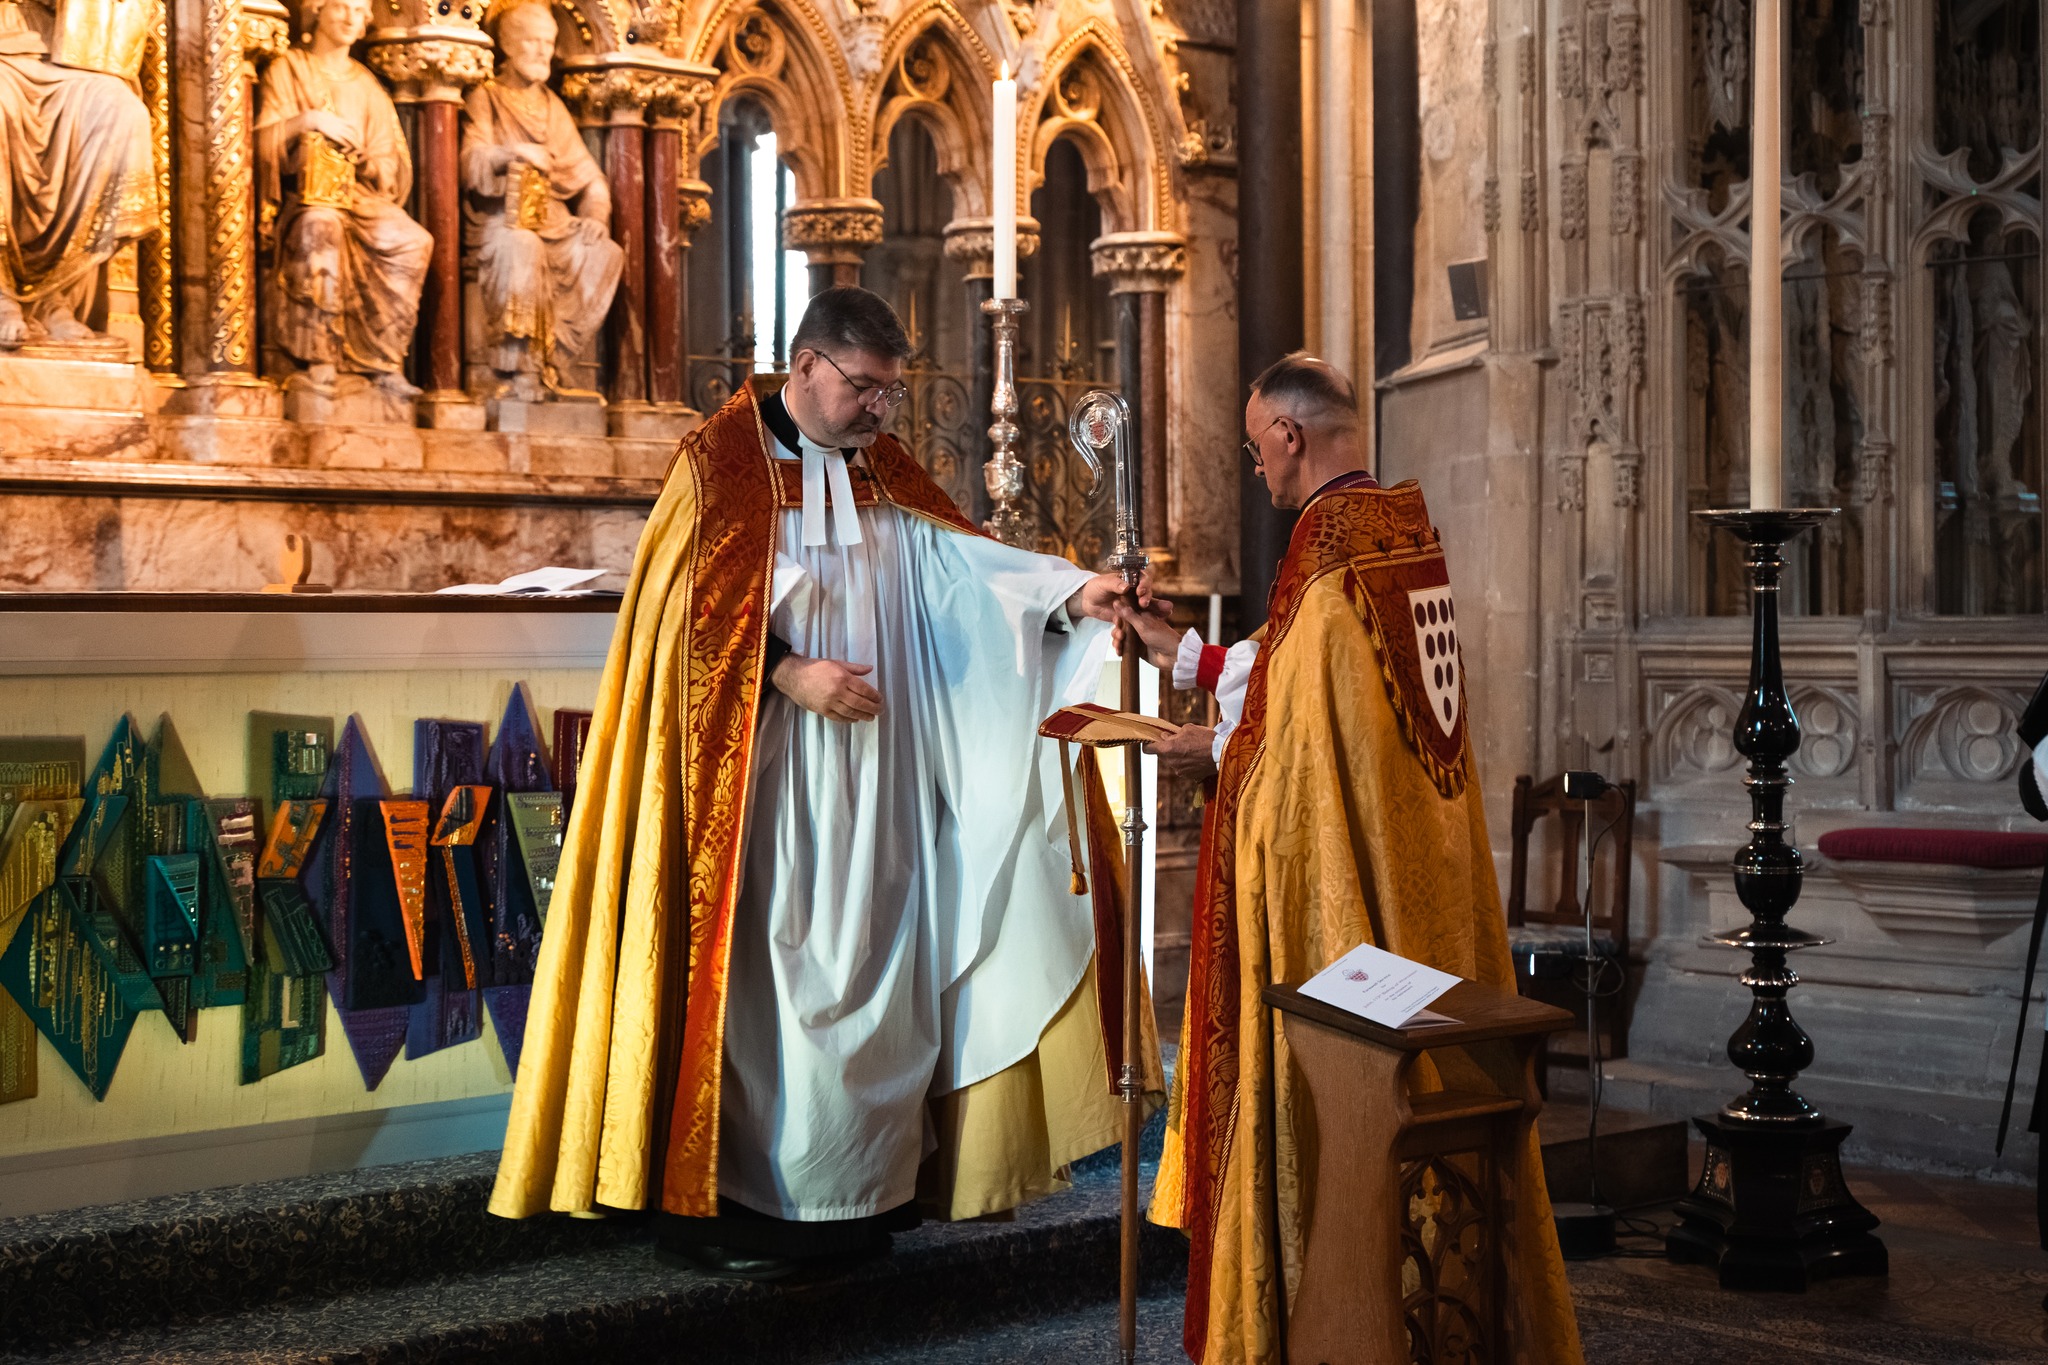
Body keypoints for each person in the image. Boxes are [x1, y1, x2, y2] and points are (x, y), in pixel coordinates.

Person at [491, 287, 1165, 1281]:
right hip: (766, 789)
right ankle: (750, 1207)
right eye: (863, 389)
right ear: (805, 366)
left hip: (883, 784)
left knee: (885, 974)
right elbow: (677, 625)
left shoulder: (884, 469)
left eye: (890, 393)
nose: (879, 411)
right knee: (772, 985)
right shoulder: (716, 465)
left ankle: (864, 1200)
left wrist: (1070, 590)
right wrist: (786, 671)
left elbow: (962, 570)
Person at [1116, 353, 1583, 1364]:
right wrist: (1174, 650)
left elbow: (1295, 757)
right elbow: (1309, 686)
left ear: (1287, 436)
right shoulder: (1398, 530)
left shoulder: (1326, 551)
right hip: (1430, 898)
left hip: (1351, 916)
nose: (1254, 470)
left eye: (1253, 449)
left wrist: (1210, 751)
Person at [256, 0, 432, 397]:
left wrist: (368, 162)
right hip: (306, 199)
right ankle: (319, 357)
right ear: (317, 10)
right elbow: (258, 142)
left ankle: (383, 360)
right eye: (341, 7)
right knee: (323, 226)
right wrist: (308, 122)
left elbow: (391, 163)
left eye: (360, 9)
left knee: (413, 240)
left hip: (358, 198)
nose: (352, 19)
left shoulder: (368, 86)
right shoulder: (289, 69)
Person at [461, 4, 622, 397]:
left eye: (548, 43)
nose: (542, 52)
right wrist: (512, 153)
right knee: (522, 244)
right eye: (532, 42)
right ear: (508, 45)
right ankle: (517, 370)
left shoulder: (553, 107)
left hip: (551, 218)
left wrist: (596, 216)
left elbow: (589, 178)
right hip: (502, 217)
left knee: (606, 253)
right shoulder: (487, 97)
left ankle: (554, 358)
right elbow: (470, 162)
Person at [0, 0, 158, 347]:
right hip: (4, 46)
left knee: (122, 109)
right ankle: (2, 291)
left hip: (67, 49)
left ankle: (55, 297)